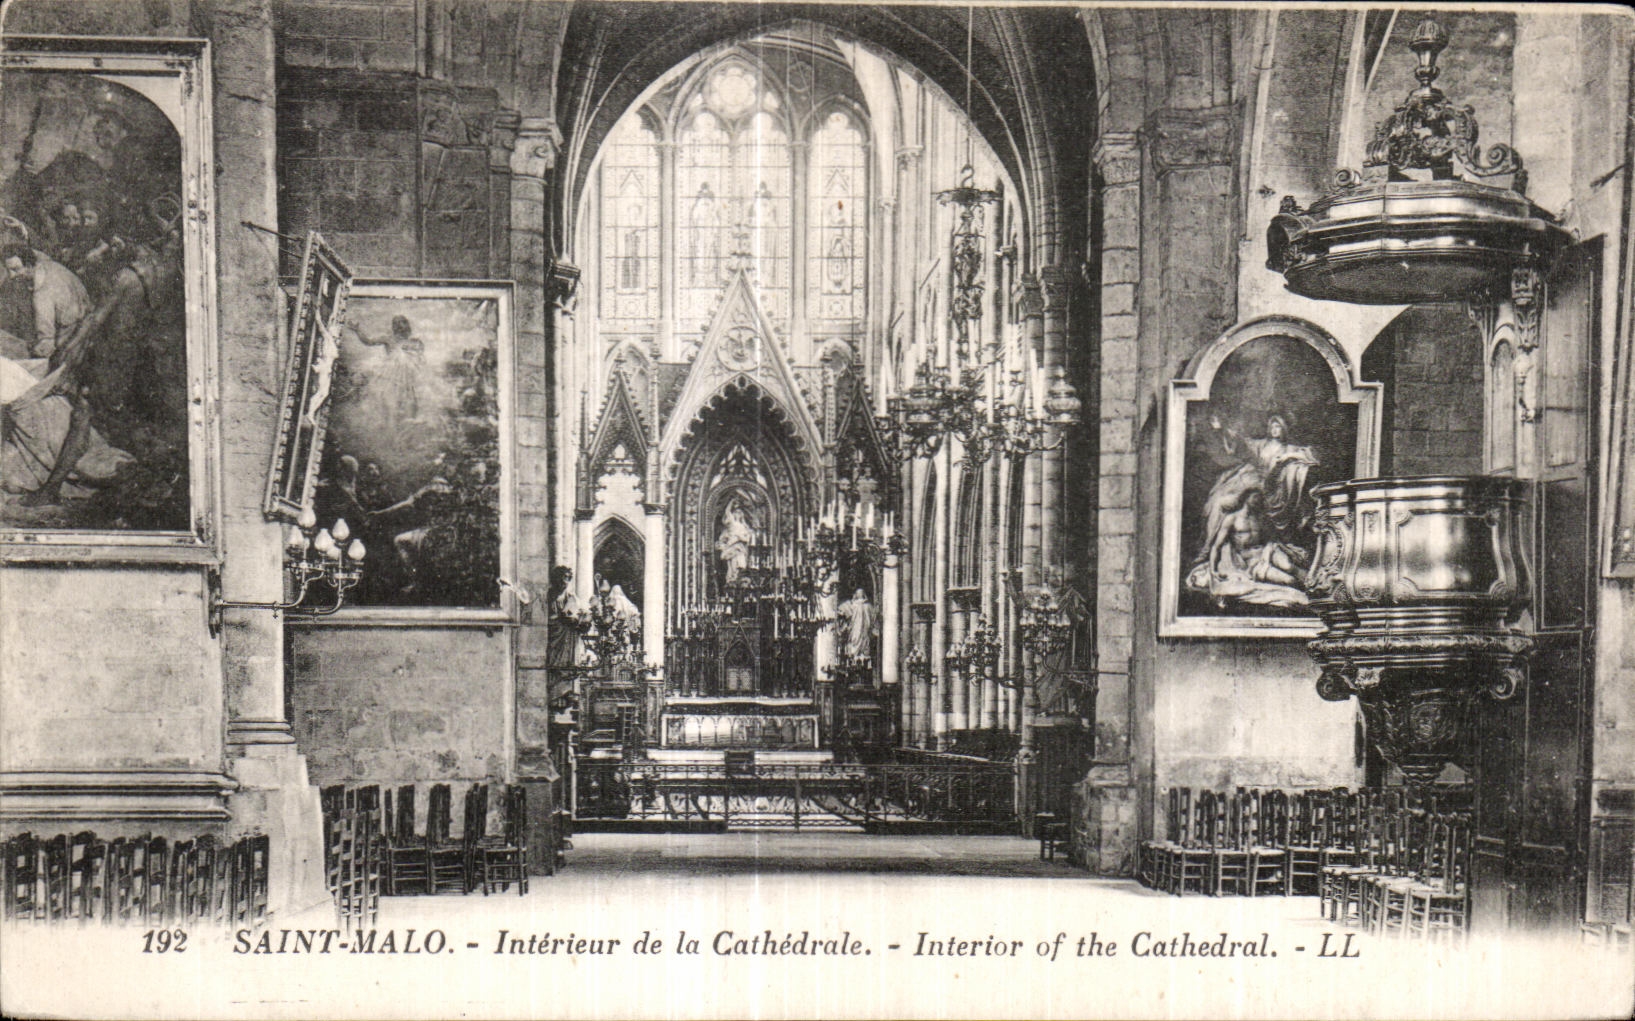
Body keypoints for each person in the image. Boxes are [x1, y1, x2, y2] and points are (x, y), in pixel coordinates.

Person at [2, 243, 90, 359]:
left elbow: (47, 343)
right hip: (86, 315)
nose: (11, 275)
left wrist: (31, 352)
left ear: (29, 265)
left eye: (15, 269)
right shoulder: (46, 263)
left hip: (73, 339)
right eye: (8, 270)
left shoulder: (42, 297)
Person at [715, 498, 754, 582]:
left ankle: (738, 580)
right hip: (732, 547)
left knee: (740, 565)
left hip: (741, 548)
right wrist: (731, 502)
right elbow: (727, 512)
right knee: (732, 565)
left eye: (739, 512)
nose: (738, 514)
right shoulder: (732, 523)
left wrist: (741, 538)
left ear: (742, 514)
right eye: (736, 512)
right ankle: (731, 581)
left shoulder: (744, 526)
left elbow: (747, 539)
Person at [837, 587, 877, 664]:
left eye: (860, 593)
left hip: (861, 629)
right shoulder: (858, 605)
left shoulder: (862, 605)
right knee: (858, 640)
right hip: (858, 629)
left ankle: (859, 656)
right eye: (858, 593)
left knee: (861, 641)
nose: (859, 595)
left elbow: (873, 616)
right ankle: (857, 656)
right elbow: (844, 610)